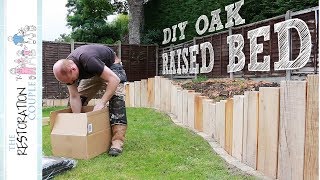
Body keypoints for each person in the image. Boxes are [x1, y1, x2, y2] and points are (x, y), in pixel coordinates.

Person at [53, 44, 128, 156]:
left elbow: (114, 79)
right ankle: (81, 133)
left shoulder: (88, 60)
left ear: (73, 69)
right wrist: (77, 120)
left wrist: (102, 102)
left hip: (112, 67)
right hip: (94, 72)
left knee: (116, 100)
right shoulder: (68, 69)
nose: (72, 82)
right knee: (77, 101)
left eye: (72, 79)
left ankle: (117, 142)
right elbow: (74, 96)